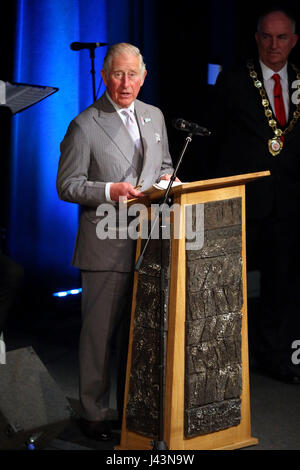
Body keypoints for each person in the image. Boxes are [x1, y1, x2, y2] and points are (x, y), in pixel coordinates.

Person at [56, 43, 175, 440]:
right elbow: (67, 185)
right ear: (106, 76)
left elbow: (165, 165)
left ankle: (131, 413)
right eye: (118, 74)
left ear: (144, 76)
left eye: (133, 75)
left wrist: (169, 182)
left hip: (149, 243)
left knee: (138, 337)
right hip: (104, 245)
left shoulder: (154, 116)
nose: (126, 83)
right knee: (99, 337)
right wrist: (110, 191)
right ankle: (93, 413)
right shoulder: (85, 124)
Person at [206, 8, 300, 383]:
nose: (273, 45)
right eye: (267, 37)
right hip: (242, 199)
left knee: (283, 283)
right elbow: (212, 141)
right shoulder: (232, 80)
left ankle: (277, 357)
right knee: (231, 283)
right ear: (256, 38)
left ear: (293, 42)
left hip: (290, 202)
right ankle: (224, 358)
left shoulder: (299, 80)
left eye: (281, 38)